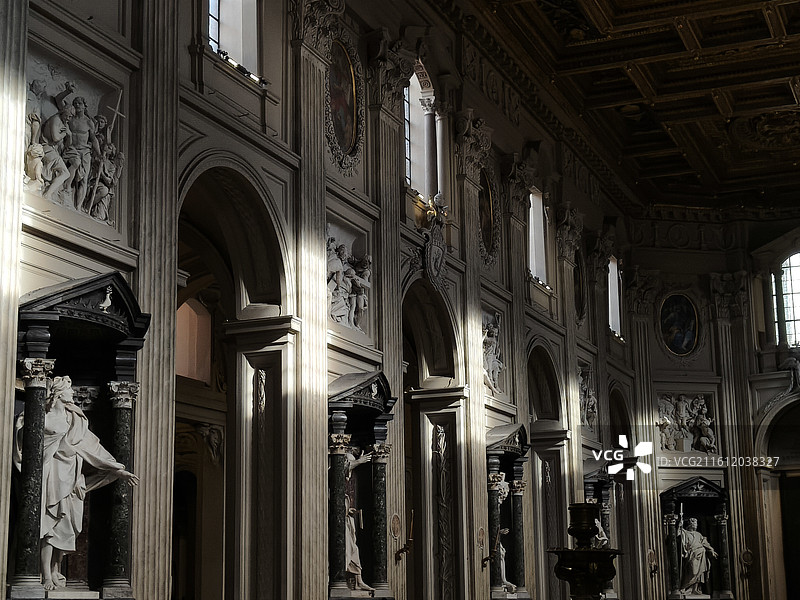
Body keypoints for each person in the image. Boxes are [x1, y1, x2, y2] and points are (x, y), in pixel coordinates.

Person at [13, 376, 139, 591]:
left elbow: (93, 449)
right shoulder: (43, 418)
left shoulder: (76, 421)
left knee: (66, 526)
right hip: (51, 474)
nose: (73, 393)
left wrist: (119, 469)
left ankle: (55, 568)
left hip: (72, 478)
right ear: (60, 394)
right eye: (69, 390)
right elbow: (26, 442)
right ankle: (44, 575)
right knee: (48, 526)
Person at [344, 448, 373, 591]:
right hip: (339, 522)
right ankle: (340, 582)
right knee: (347, 549)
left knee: (353, 548)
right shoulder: (333, 477)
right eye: (350, 461)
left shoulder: (347, 482)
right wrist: (358, 462)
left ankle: (358, 580)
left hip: (347, 520)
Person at [679, 517, 717, 595]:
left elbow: (705, 543)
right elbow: (678, 535)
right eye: (695, 523)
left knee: (700, 573)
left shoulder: (698, 534)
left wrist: (712, 550)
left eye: (696, 524)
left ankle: (694, 589)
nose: (696, 525)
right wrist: (680, 526)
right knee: (693, 571)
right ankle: (684, 587)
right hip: (692, 555)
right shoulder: (685, 532)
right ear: (690, 524)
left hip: (701, 554)